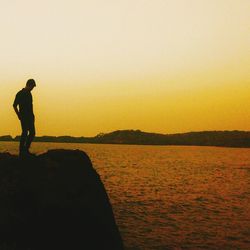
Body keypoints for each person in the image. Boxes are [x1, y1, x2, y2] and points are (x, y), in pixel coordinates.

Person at [13, 79, 36, 157]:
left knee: (32, 133)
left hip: (30, 116)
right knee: (25, 133)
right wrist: (18, 115)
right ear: (29, 85)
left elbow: (30, 106)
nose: (33, 88)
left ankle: (25, 150)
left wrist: (33, 115)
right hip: (24, 116)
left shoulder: (29, 94)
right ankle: (22, 151)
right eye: (32, 86)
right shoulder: (20, 93)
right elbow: (14, 105)